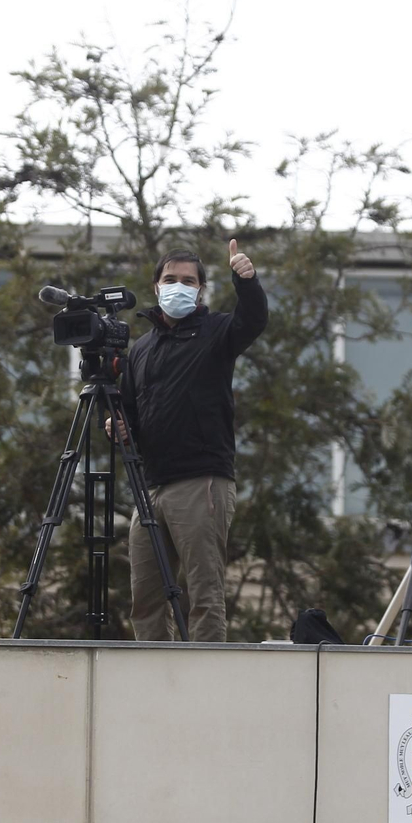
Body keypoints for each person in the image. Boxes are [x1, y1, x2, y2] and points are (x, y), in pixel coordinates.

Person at [107, 239, 267, 642]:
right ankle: (155, 680)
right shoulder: (141, 349)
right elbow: (126, 409)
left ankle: (204, 685)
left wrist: (246, 280)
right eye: (170, 279)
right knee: (145, 596)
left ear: (200, 290)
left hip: (201, 481)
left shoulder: (216, 331)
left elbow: (253, 320)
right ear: (156, 286)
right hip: (152, 485)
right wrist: (117, 426)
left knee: (203, 593)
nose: (179, 286)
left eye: (188, 281)